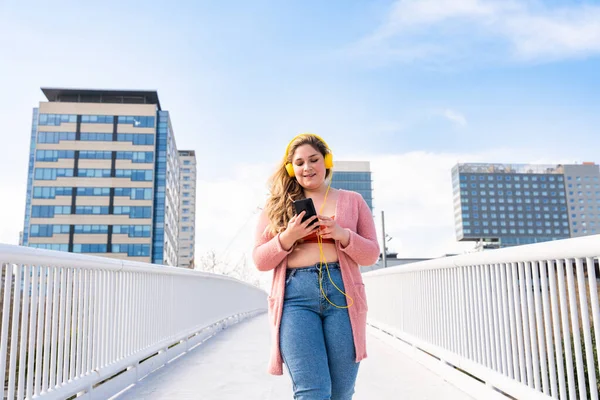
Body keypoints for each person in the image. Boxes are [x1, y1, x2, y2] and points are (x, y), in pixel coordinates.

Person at [253, 133, 380, 399]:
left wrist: (342, 234)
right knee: (313, 391)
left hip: (343, 296)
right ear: (291, 168)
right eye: (299, 162)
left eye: (313, 159)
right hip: (295, 298)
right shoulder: (276, 207)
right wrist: (289, 236)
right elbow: (260, 261)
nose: (307, 167)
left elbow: (371, 255)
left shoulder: (353, 200)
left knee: (341, 392)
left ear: (327, 161)